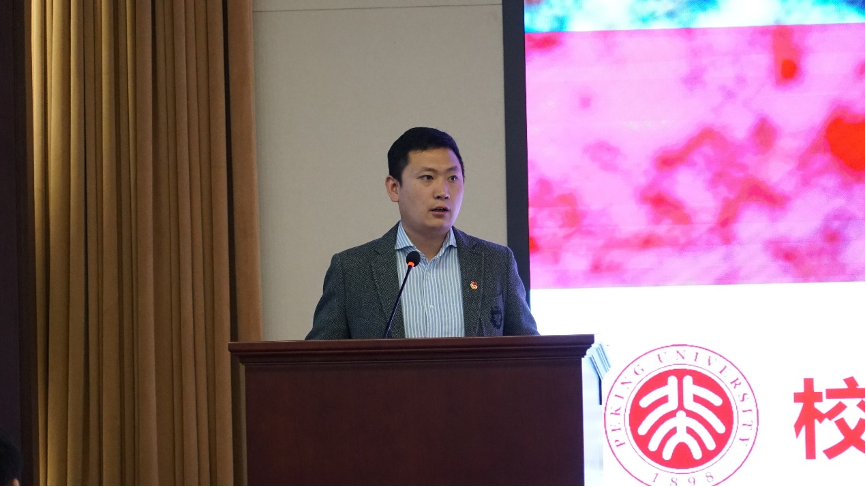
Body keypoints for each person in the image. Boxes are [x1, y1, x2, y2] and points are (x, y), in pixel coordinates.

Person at [306, 127, 539, 339]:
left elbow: (530, 354)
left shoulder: (496, 263)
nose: (443, 192)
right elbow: (320, 362)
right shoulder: (352, 270)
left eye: (452, 178)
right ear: (394, 188)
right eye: (427, 177)